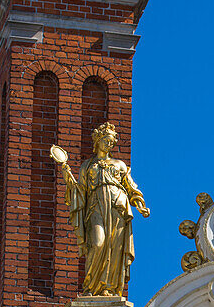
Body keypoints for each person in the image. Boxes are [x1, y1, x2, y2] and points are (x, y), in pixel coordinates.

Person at [58, 122, 149, 297]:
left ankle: (108, 287)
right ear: (98, 141)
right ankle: (91, 286)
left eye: (111, 142)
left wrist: (140, 206)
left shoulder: (120, 165)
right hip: (96, 206)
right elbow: (80, 191)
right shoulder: (87, 165)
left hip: (118, 207)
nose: (109, 144)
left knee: (115, 247)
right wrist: (68, 179)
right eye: (106, 140)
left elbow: (131, 188)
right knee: (98, 243)